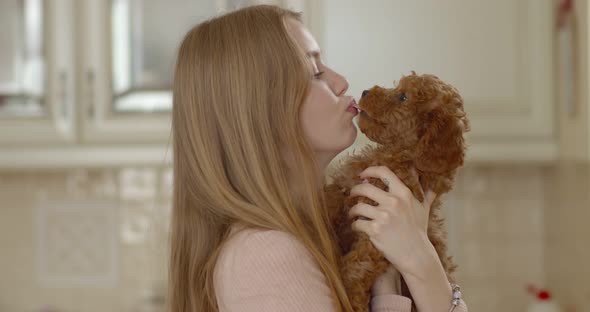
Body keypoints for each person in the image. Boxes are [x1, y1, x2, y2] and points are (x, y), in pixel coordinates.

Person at [168, 4, 468, 312]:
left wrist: (397, 272)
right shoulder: (267, 256)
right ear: (262, 112)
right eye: (315, 73)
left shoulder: (325, 230)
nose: (341, 82)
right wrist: (419, 261)